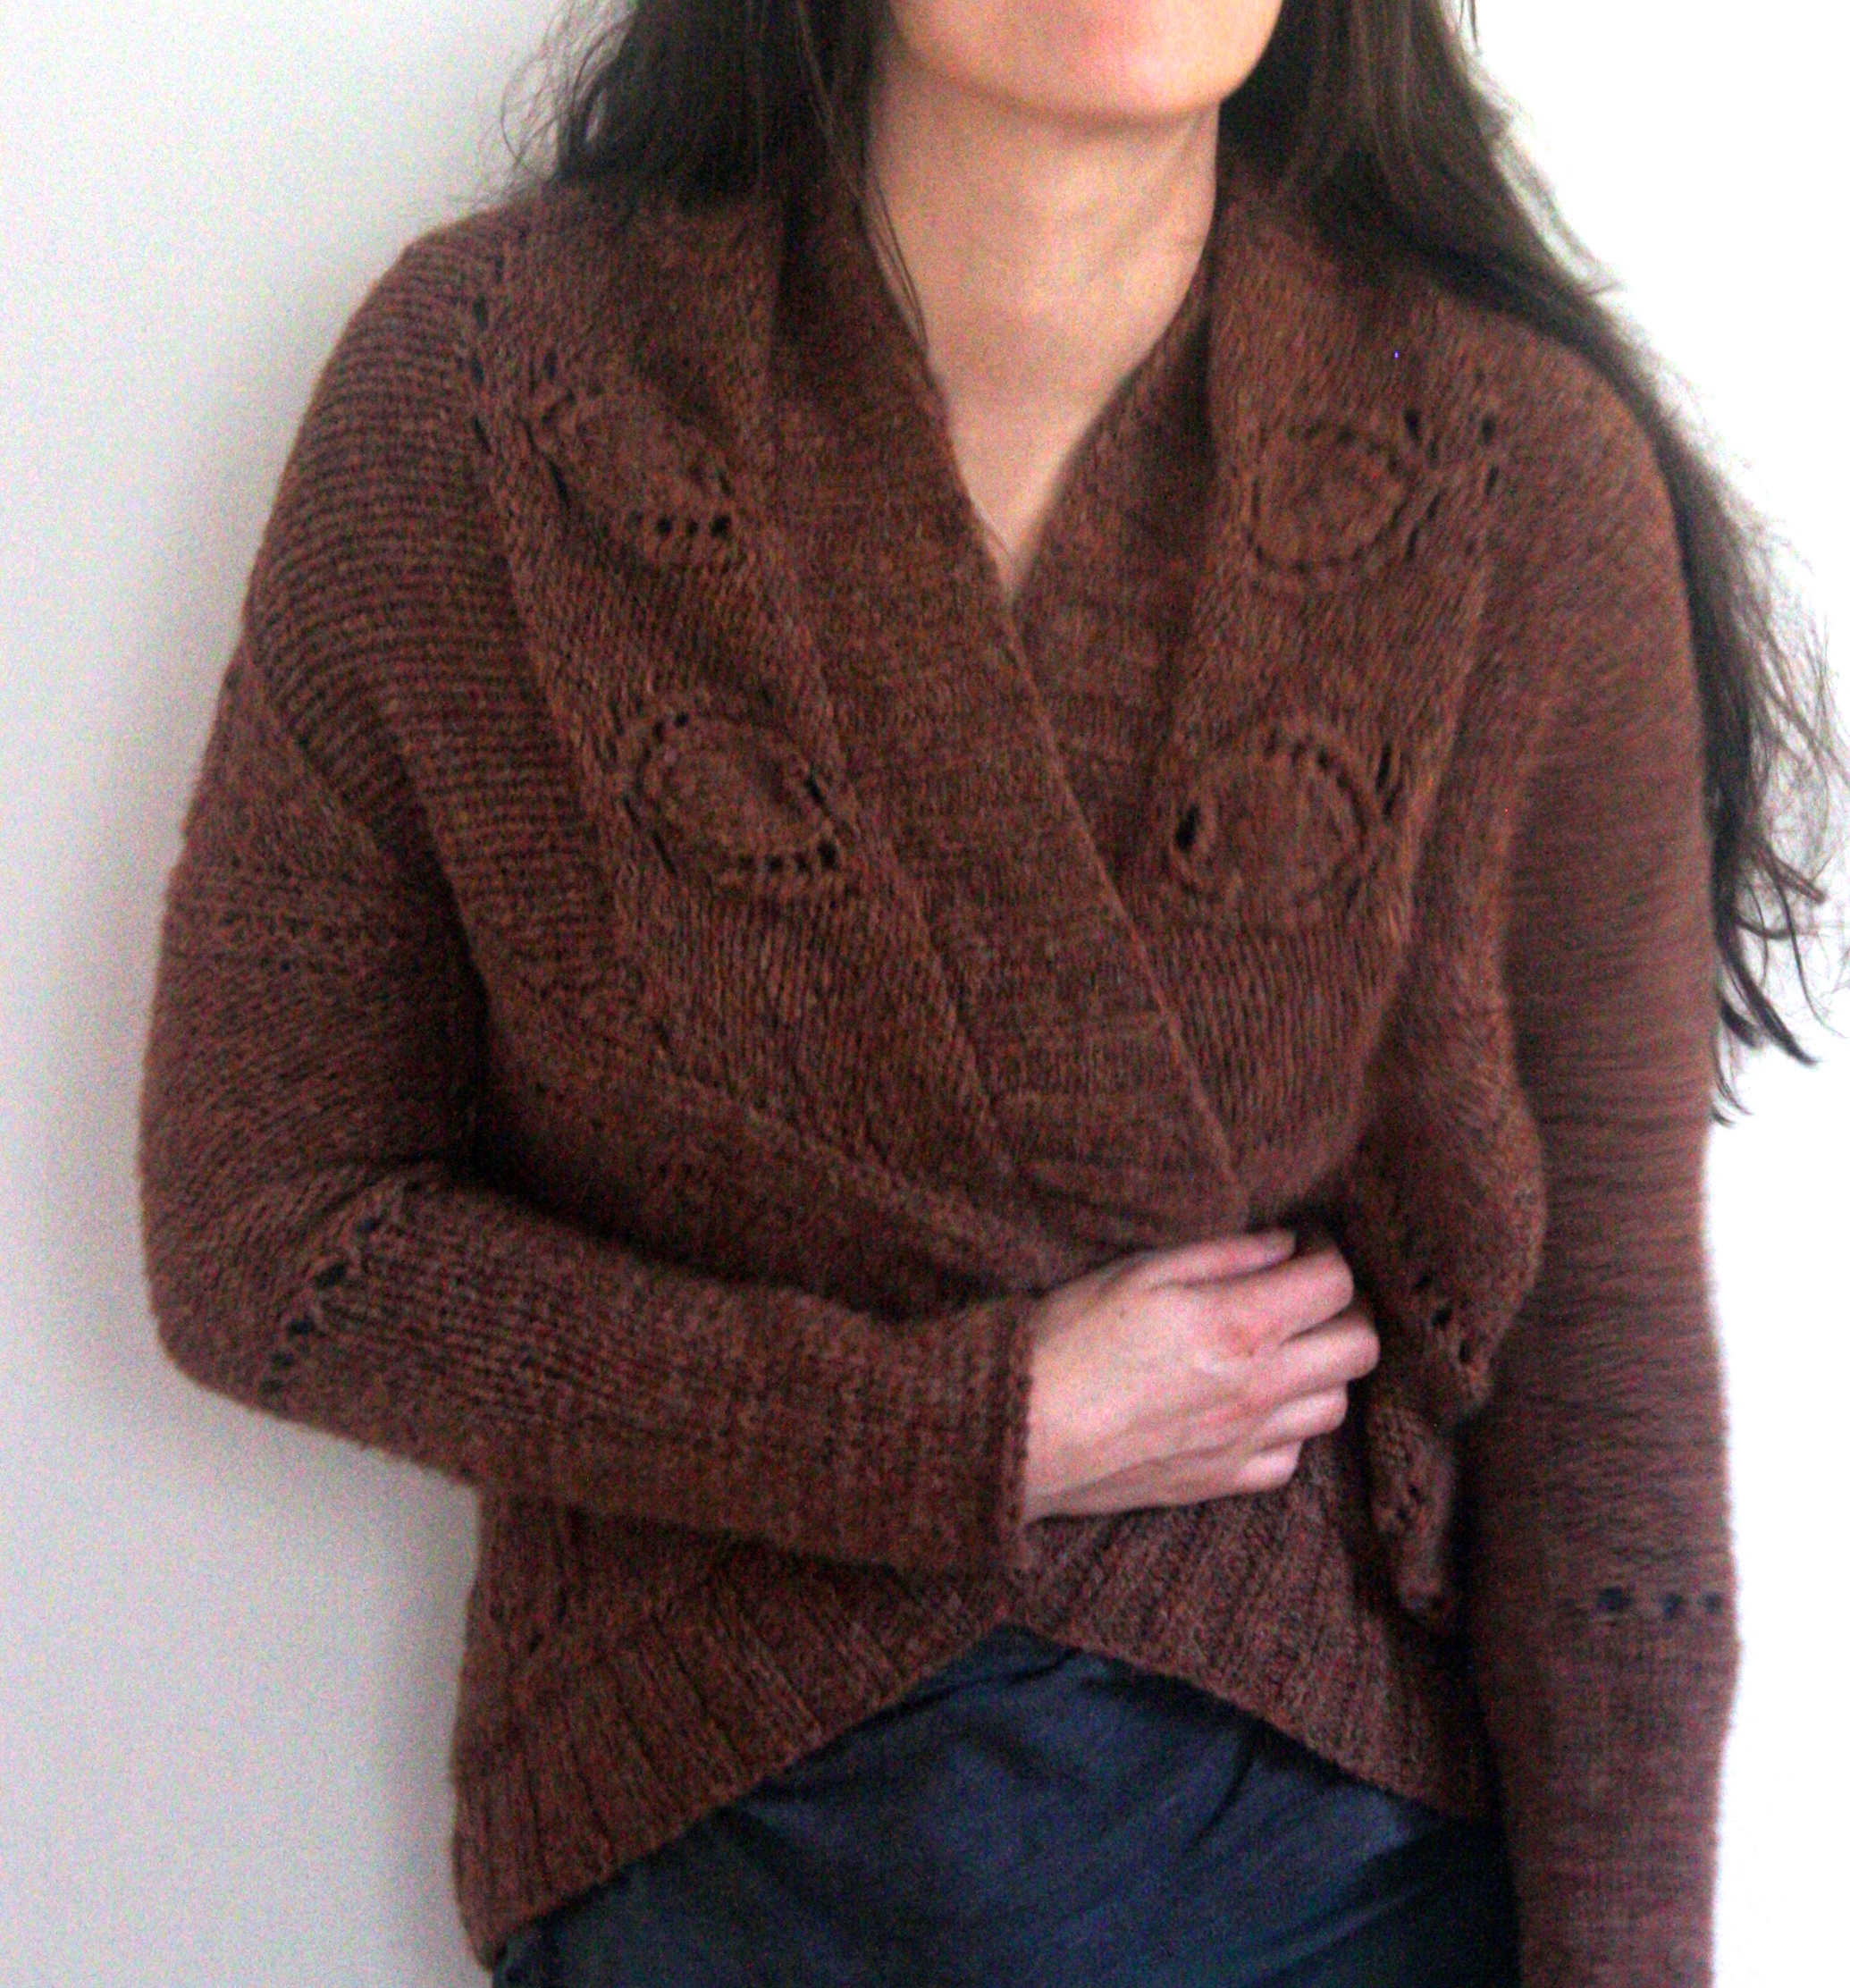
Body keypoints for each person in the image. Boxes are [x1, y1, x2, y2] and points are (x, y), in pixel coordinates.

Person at [137, 2, 1846, 1984]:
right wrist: (963, 1433)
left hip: (1341, 1882)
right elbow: (269, 1234)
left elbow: (1601, 1364)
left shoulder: (1512, 475)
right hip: (705, 1872)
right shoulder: (483, 396)